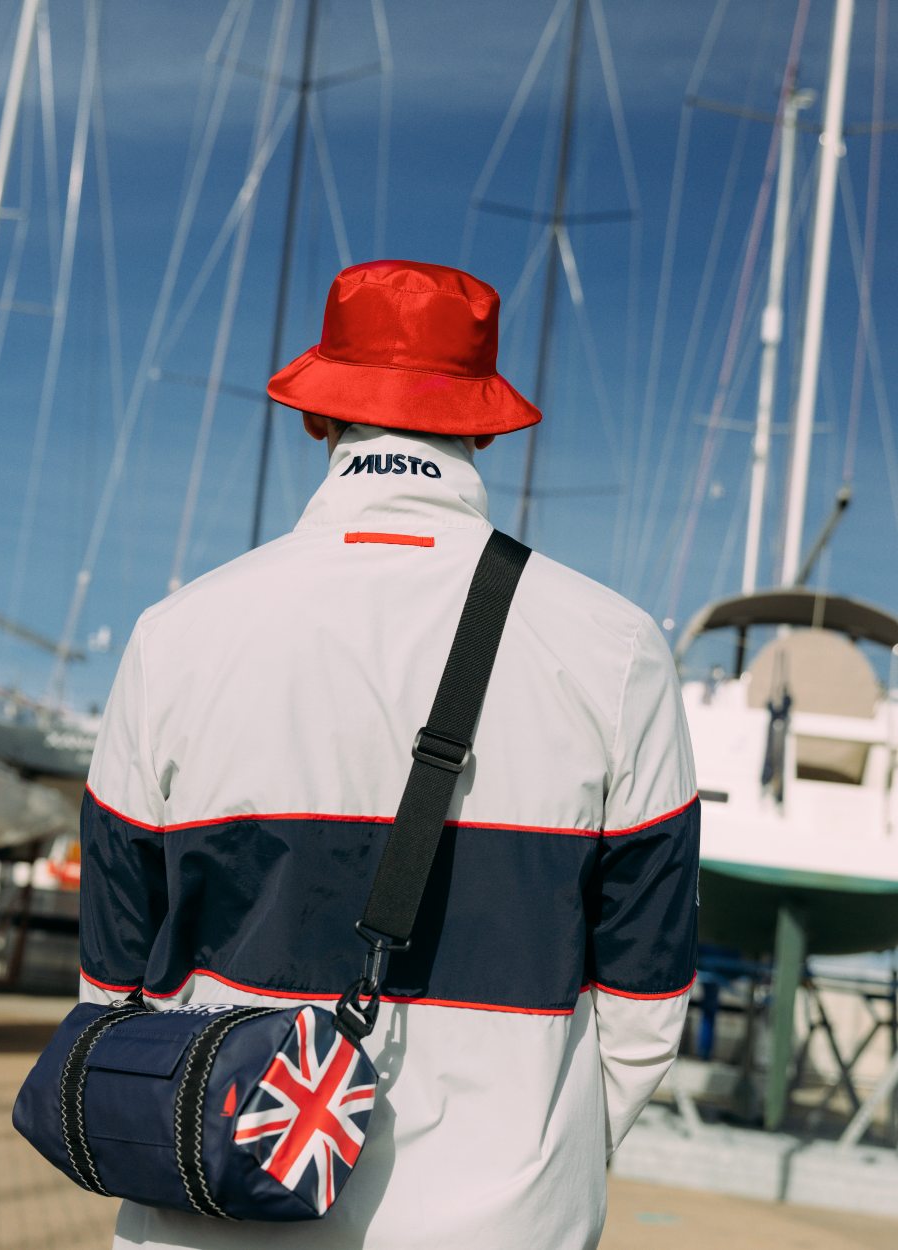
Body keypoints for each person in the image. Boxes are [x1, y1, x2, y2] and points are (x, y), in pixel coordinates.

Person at [79, 259, 700, 1250]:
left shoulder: (175, 635)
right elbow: (645, 1008)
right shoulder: (615, 648)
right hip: (506, 1221)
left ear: (316, 415)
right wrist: (530, 1159)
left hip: (214, 1206)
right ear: (485, 424)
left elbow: (111, 982)